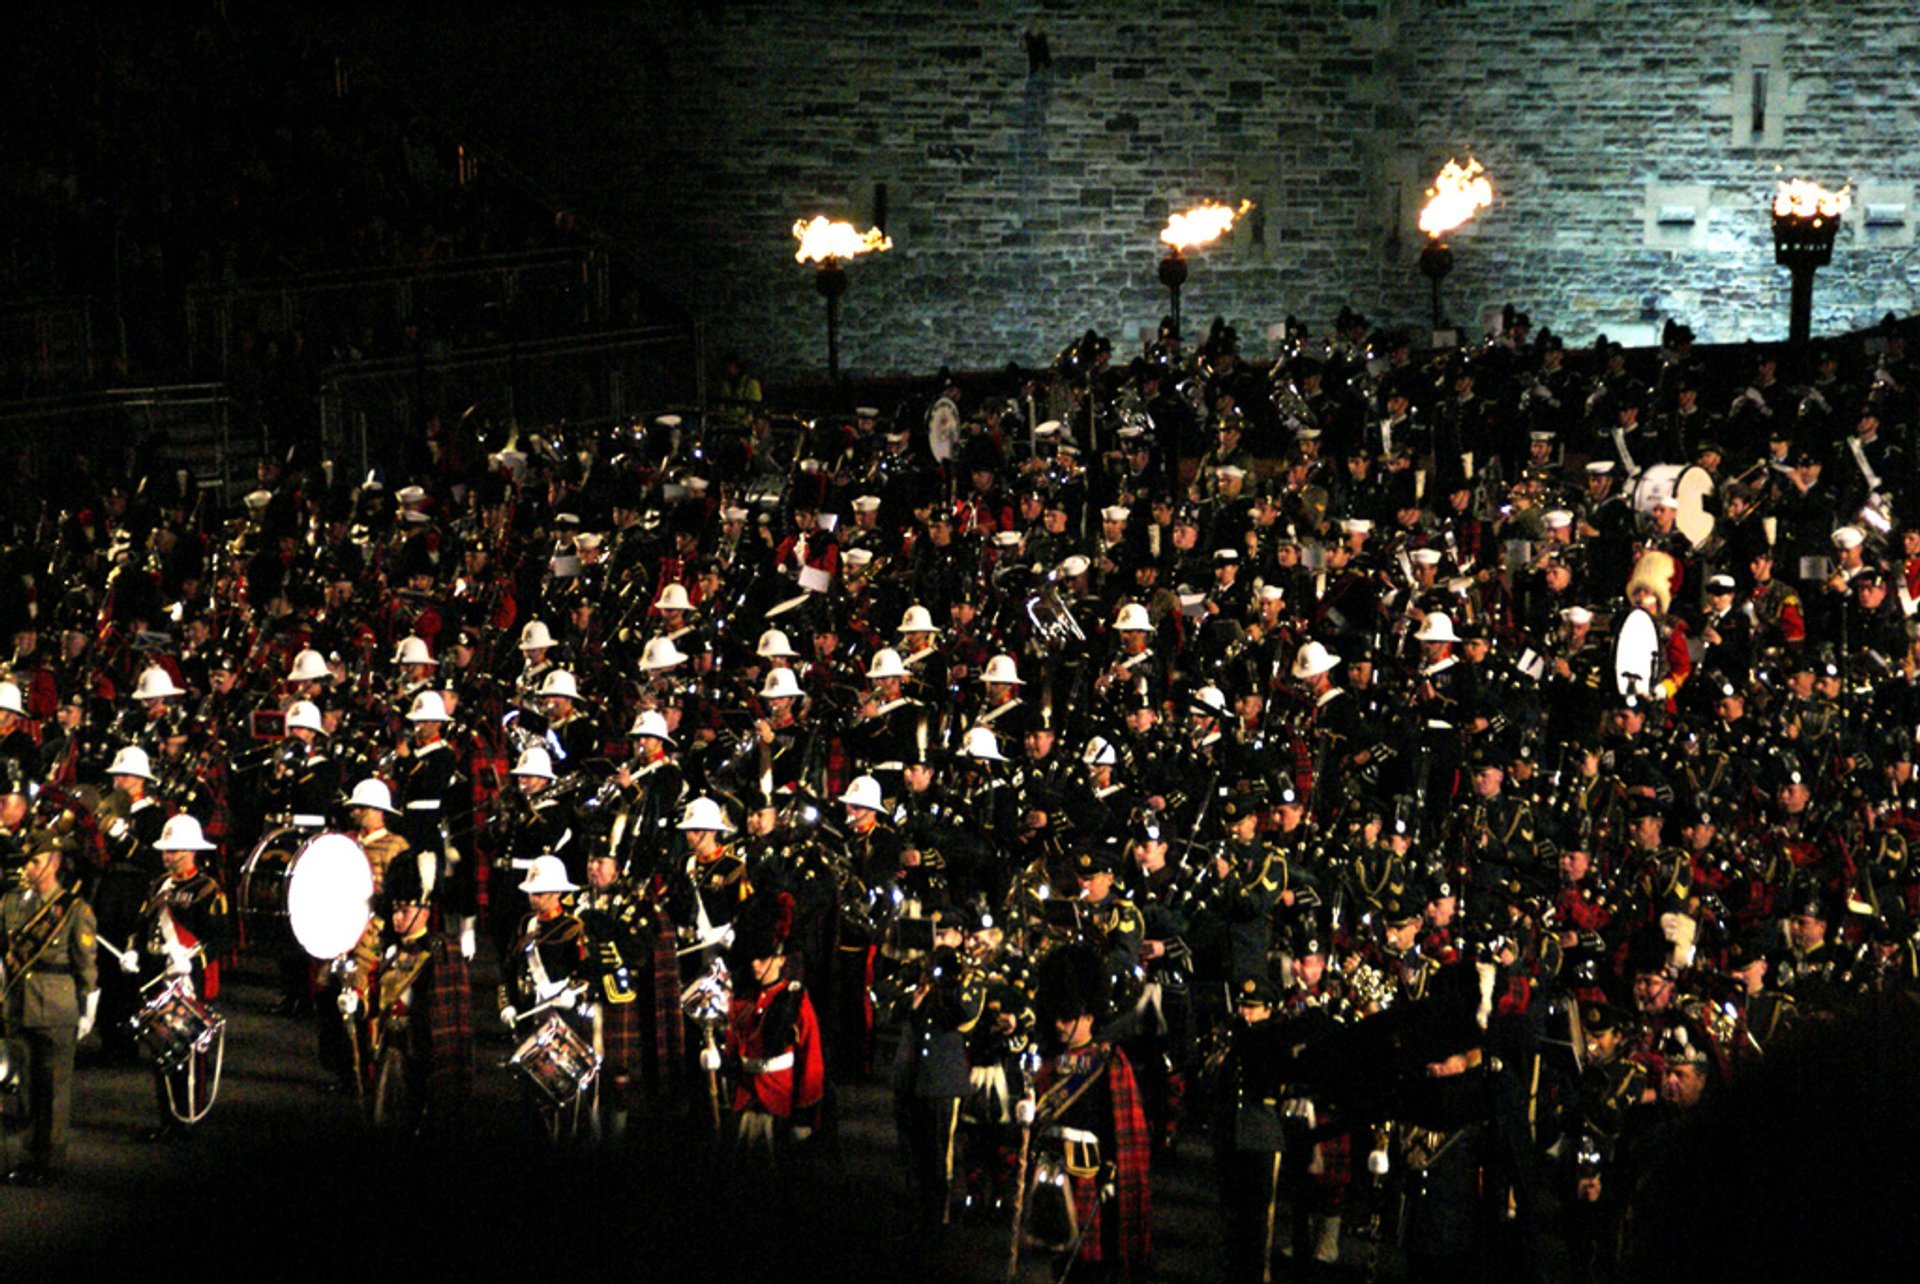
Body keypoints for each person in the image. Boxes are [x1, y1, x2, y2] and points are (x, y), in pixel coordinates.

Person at [1, 837, 98, 1185]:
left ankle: (52, 1160)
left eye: (34, 861)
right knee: (27, 1087)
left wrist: (88, 1008)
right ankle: (29, 1155)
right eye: (25, 861)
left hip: (57, 1007)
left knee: (54, 1089)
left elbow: (85, 964)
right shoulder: (11, 904)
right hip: (19, 1005)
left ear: (53, 863)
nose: (28, 868)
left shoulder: (74, 909)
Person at [135, 813, 233, 1141]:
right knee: (161, 1049)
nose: (167, 856)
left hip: (192, 981)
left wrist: (195, 962)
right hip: (161, 975)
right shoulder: (159, 885)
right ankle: (168, 1118)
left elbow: (221, 939)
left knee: (190, 1054)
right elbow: (145, 924)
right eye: (166, 850)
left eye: (174, 850)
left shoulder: (208, 890)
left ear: (191, 851)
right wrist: (133, 950)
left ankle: (189, 1115)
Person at [365, 845, 473, 1140]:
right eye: (395, 908)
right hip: (393, 1052)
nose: (397, 917)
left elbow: (449, 1019)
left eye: (406, 909)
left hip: (425, 1053)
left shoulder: (443, 952)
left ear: (425, 909)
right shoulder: (391, 953)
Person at [724, 891, 825, 1167]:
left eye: (763, 957)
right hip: (746, 1098)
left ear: (780, 959)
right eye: (752, 957)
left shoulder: (796, 1000)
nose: (755, 964)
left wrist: (805, 1116)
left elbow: (811, 1062)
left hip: (779, 1101)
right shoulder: (742, 998)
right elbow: (734, 1045)